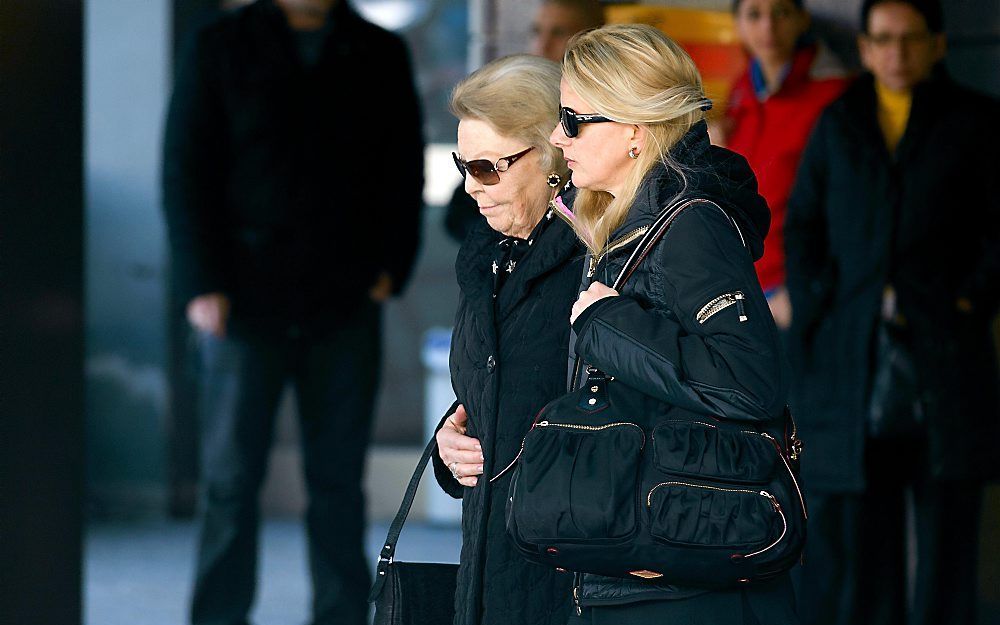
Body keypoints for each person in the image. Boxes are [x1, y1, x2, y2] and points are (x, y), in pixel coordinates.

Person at [161, 1, 423, 624]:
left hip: (346, 296)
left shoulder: (377, 51)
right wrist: (201, 283)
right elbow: (185, 168)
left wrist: (391, 267)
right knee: (229, 482)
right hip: (242, 300)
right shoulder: (220, 44)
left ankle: (340, 616)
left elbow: (403, 165)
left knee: (337, 484)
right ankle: (219, 617)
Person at [549, 24, 797, 624]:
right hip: (652, 564)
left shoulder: (691, 227)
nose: (559, 137)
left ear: (634, 129)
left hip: (686, 583)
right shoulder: (628, 225)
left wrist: (609, 320)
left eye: (575, 119)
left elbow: (747, 380)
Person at [783, 1, 1000, 624]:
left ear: (937, 45)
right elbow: (804, 227)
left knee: (947, 530)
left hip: (944, 358)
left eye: (910, 40)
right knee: (860, 537)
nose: (896, 54)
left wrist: (967, 301)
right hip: (852, 360)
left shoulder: (976, 122)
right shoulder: (840, 122)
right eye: (882, 40)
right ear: (867, 48)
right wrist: (821, 302)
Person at [431, 55, 583, 625]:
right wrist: (450, 443)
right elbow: (488, 383)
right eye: (462, 166)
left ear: (550, 157)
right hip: (487, 560)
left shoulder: (597, 262)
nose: (471, 187)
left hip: (569, 567)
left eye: (489, 167)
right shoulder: (488, 257)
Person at [717, 0, 849, 329]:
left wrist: (805, 287)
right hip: (742, 280)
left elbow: (845, 205)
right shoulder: (741, 91)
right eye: (754, 15)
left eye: (781, 13)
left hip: (797, 287)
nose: (768, 28)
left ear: (802, 20)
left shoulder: (834, 95)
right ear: (738, 24)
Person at [444, 0, 604, 243]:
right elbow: (458, 215)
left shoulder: (605, 125)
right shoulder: (515, 104)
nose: (542, 45)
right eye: (536, 31)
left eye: (559, 32)